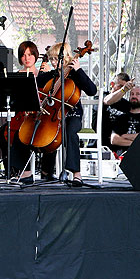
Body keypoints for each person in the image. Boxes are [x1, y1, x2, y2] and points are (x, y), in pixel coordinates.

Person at [36, 42, 97, 186]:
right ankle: (46, 171)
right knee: (46, 131)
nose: (53, 62)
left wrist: (79, 70)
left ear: (67, 57)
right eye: (51, 59)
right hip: (54, 115)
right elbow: (36, 86)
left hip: (73, 114)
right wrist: (42, 73)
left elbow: (92, 90)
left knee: (70, 132)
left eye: (57, 59)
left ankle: (76, 174)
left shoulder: (75, 74)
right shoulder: (52, 75)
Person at [0, 40, 42, 183]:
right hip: (20, 115)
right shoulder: (16, 76)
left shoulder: (42, 75)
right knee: (2, 132)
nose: (27, 58)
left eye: (30, 54)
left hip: (36, 117)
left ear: (35, 56)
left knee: (21, 133)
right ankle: (10, 170)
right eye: (23, 55)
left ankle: (25, 172)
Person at [111, 86, 140, 157]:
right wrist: (136, 142)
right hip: (121, 159)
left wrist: (124, 136)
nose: (134, 96)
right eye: (132, 94)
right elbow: (114, 140)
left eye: (137, 94)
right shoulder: (121, 118)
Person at [100, 72, 135, 151]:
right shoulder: (101, 97)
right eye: (120, 86)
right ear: (112, 84)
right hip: (100, 145)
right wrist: (123, 90)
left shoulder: (127, 105)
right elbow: (107, 101)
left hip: (118, 148)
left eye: (126, 88)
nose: (123, 89)